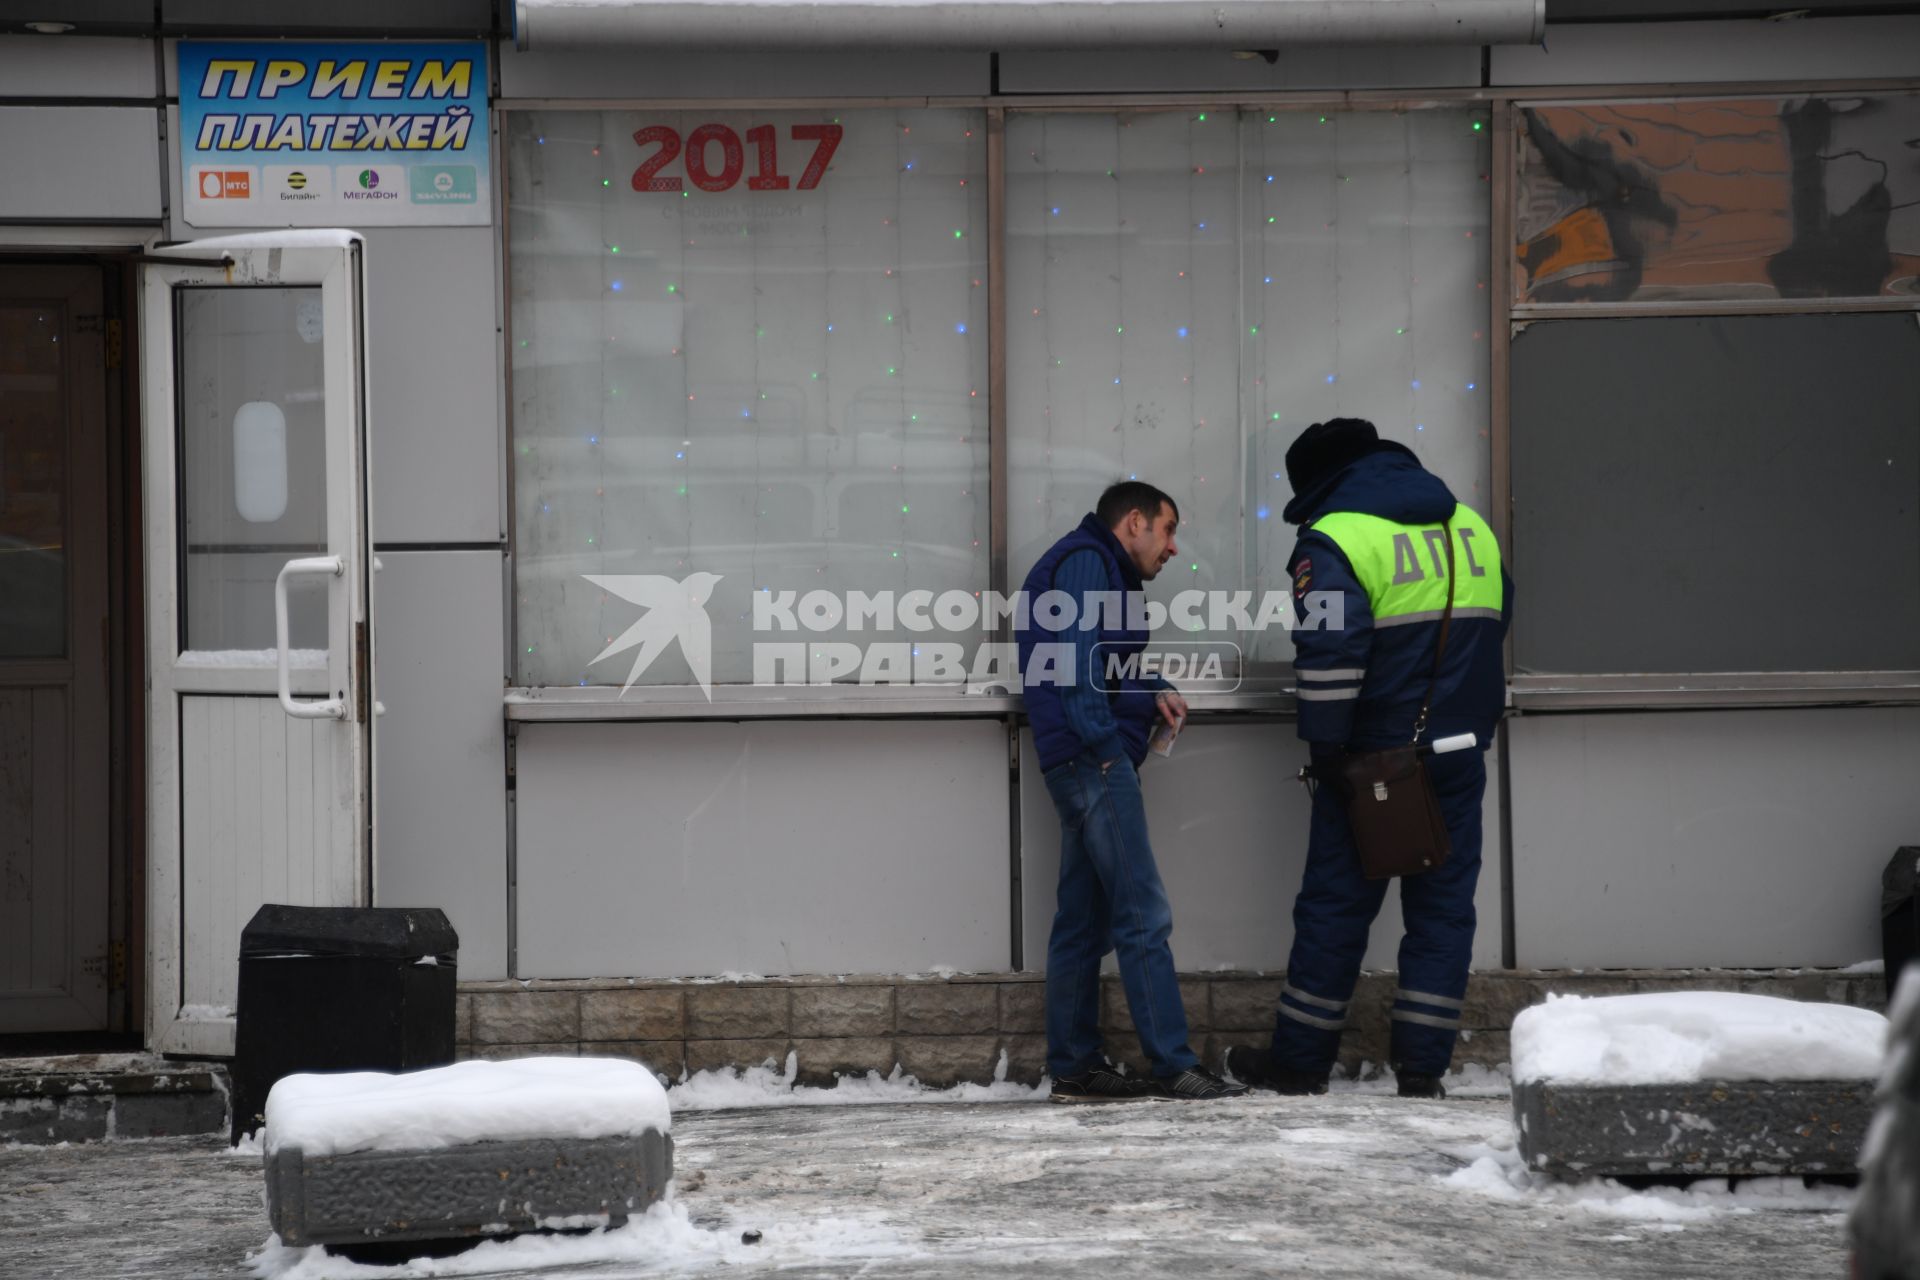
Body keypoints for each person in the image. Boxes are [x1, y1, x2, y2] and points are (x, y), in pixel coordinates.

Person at [1226, 419, 1510, 1100]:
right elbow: (1496, 627)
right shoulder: (1471, 527)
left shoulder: (1335, 538)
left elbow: (1328, 661)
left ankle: (1300, 1063)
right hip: (1460, 755)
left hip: (1376, 763)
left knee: (1334, 909)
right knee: (1443, 912)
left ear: (1322, 483)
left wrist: (1328, 755)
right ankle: (1421, 1071)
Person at [1017, 481, 1248, 1103]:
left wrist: (1151, 688)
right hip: (1092, 762)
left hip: (1076, 760)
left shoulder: (1093, 564)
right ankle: (1174, 1063)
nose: (1173, 547)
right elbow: (1078, 664)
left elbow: (1105, 662)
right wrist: (1105, 749)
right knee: (1143, 915)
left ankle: (1074, 1066)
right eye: (1168, 530)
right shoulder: (1089, 562)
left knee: (1082, 922)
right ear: (1135, 521)